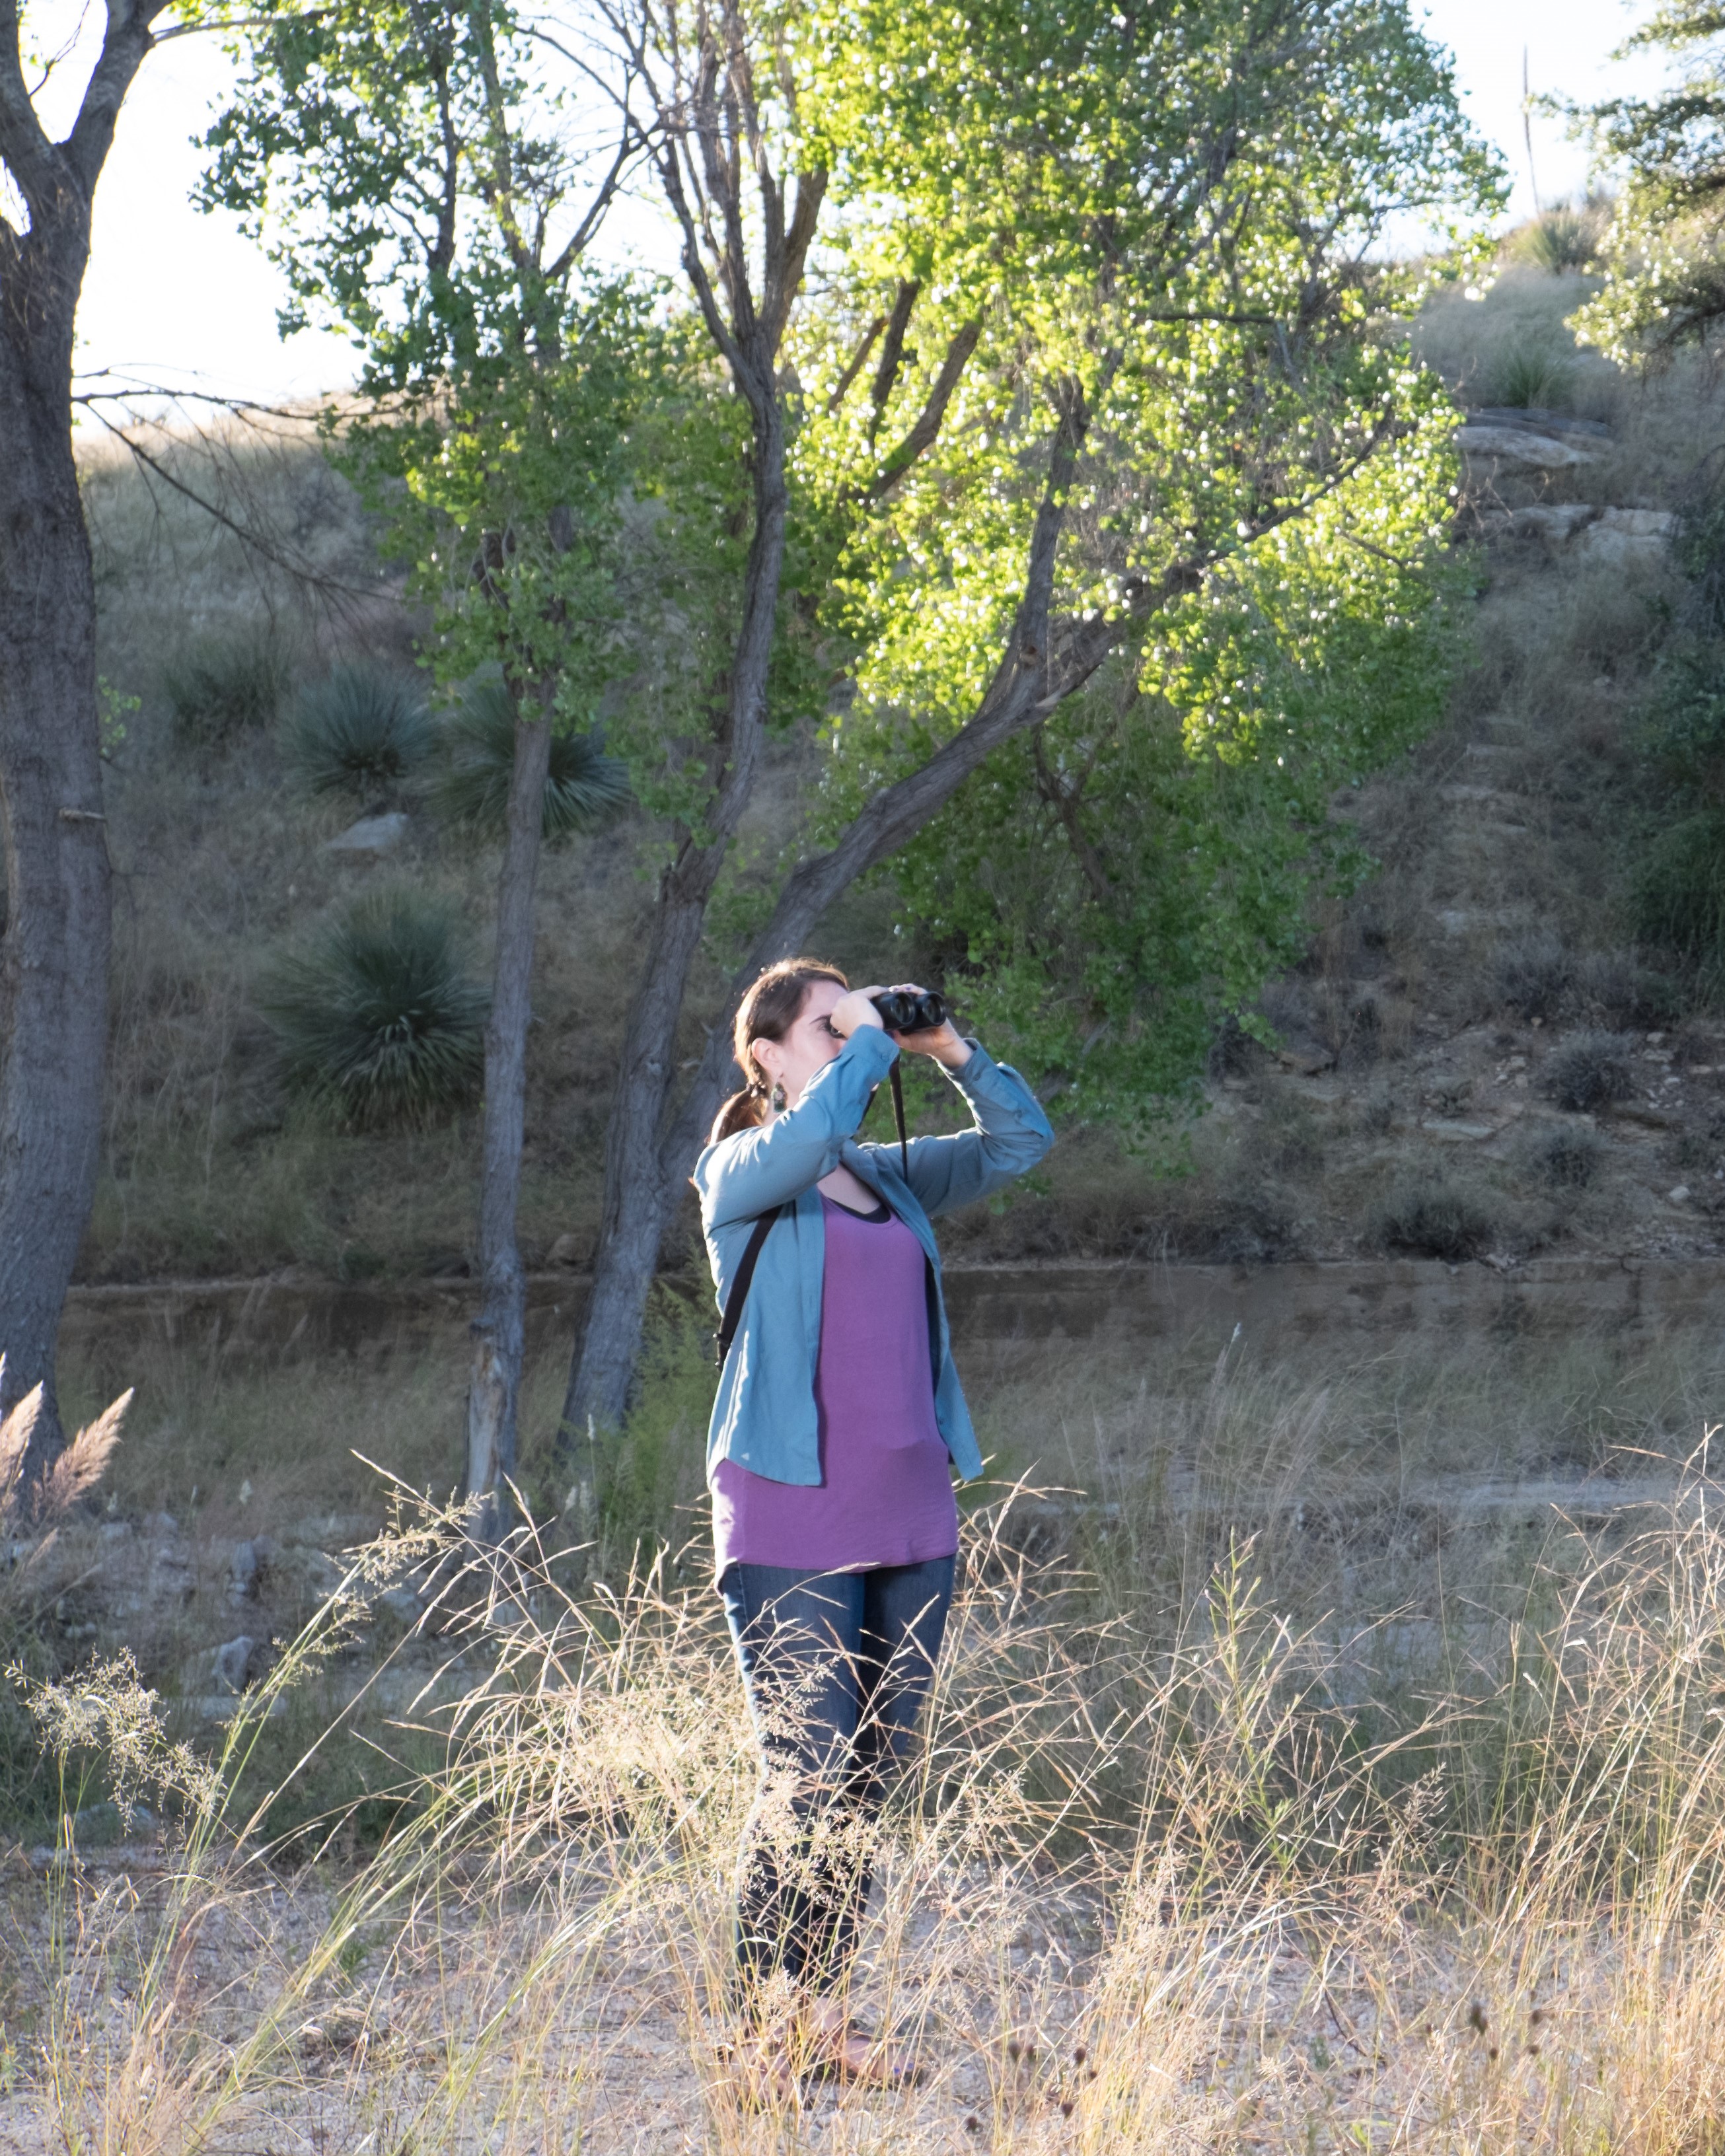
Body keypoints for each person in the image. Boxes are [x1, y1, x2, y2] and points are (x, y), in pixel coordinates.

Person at [693, 957, 1054, 2099]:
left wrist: (945, 1049)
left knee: (866, 1781)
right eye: (824, 1024)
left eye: (854, 1020)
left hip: (911, 1509)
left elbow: (1020, 1143)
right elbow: (810, 1136)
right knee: (802, 1770)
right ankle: (761, 2026)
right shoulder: (741, 1176)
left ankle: (825, 2018)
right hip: (792, 1512)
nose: (851, 1039)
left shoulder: (888, 1181)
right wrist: (862, 1044)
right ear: (767, 1059)